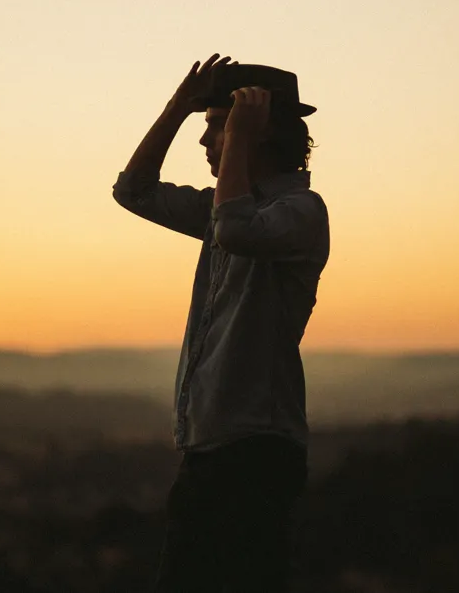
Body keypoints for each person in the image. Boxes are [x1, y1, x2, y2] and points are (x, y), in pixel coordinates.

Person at [112, 54, 330, 592]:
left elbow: (235, 228)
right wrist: (178, 108)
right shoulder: (225, 210)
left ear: (260, 134)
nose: (207, 143)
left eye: (219, 129)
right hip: (210, 450)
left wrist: (237, 140)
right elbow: (132, 191)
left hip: (255, 453)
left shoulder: (301, 211)